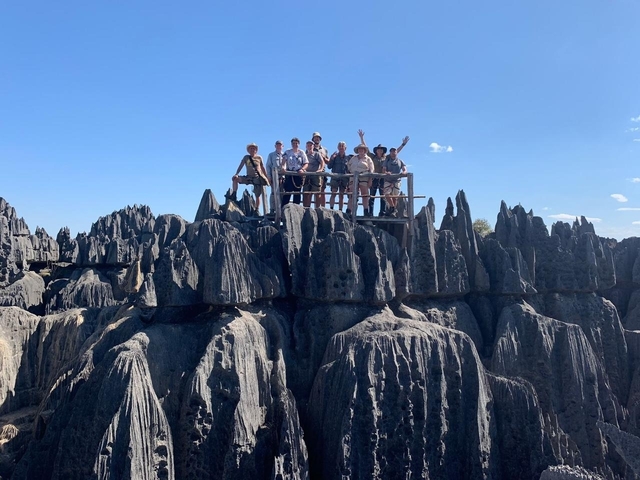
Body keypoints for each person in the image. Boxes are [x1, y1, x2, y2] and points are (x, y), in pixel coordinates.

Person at [357, 129, 410, 216]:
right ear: (376, 150)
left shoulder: (386, 158)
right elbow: (366, 148)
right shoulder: (372, 157)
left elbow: (396, 152)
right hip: (374, 178)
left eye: (381, 149)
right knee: (372, 196)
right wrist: (362, 138)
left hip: (383, 179)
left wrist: (403, 144)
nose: (380, 151)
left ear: (383, 151)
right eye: (378, 149)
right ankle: (370, 213)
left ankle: (382, 212)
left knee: (383, 196)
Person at [230, 143, 270, 214]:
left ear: (256, 150)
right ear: (248, 150)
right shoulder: (246, 157)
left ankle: (256, 209)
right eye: (251, 148)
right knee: (235, 179)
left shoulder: (259, 158)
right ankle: (234, 194)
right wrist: (236, 174)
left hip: (257, 178)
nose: (252, 149)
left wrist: (266, 177)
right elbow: (241, 165)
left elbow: (263, 168)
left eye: (253, 148)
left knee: (257, 195)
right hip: (248, 177)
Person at [346, 144, 374, 216]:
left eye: (362, 149)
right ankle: (348, 211)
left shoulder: (368, 159)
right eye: (359, 149)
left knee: (364, 195)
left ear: (365, 150)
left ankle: (365, 211)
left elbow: (371, 170)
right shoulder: (353, 158)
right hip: (353, 177)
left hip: (364, 177)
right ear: (357, 150)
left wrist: (370, 179)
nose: (360, 150)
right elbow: (348, 167)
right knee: (352, 195)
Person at [281, 137, 309, 206]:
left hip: (298, 174)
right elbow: (283, 161)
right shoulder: (287, 152)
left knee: (297, 193)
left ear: (299, 144)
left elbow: (306, 163)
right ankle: (284, 209)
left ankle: (296, 209)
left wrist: (302, 169)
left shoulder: (302, 152)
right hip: (289, 173)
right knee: (288, 191)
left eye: (296, 143)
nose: (295, 144)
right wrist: (283, 168)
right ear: (291, 144)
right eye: (293, 143)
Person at [383, 147, 408, 217]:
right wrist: (386, 172)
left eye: (394, 151)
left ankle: (393, 211)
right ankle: (393, 207)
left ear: (396, 152)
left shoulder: (400, 161)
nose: (393, 153)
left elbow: (404, 169)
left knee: (395, 196)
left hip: (397, 180)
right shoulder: (387, 160)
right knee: (387, 194)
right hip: (388, 180)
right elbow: (383, 169)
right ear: (390, 153)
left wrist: (404, 172)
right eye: (391, 151)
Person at [327, 141, 351, 211]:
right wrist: (331, 159)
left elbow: (349, 169)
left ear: (345, 148)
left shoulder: (348, 158)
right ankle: (331, 209)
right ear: (337, 147)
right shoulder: (334, 156)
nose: (341, 147)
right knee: (333, 193)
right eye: (340, 146)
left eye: (342, 146)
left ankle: (340, 210)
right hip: (335, 177)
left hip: (344, 178)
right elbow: (329, 166)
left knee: (341, 195)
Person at [303, 140, 325, 208]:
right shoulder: (304, 155)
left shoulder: (317, 154)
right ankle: (306, 208)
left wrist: (320, 169)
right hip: (307, 175)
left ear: (313, 146)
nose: (309, 147)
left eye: (311, 145)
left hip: (315, 175)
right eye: (308, 145)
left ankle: (317, 208)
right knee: (306, 193)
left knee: (317, 192)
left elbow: (322, 162)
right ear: (306, 147)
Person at [265, 140, 285, 214]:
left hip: (282, 178)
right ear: (275, 146)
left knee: (282, 193)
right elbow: (268, 166)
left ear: (283, 146)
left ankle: (281, 209)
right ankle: (272, 209)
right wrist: (269, 177)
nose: (279, 146)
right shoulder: (271, 155)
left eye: (280, 145)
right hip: (274, 177)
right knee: (273, 193)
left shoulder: (285, 155)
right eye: (277, 145)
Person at [311, 132, 329, 208]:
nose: (317, 139)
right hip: (313, 172)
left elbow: (328, 162)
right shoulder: (310, 148)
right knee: (312, 191)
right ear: (313, 139)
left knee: (322, 191)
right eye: (315, 137)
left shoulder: (324, 149)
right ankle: (314, 208)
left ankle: (323, 208)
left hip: (322, 172)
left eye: (318, 137)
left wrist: (323, 158)